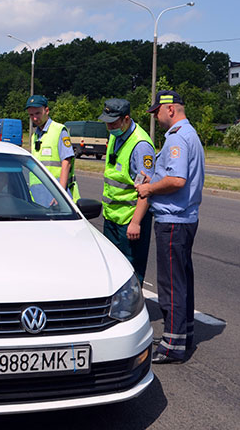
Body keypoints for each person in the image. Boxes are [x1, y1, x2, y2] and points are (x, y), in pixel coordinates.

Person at [136, 90, 205, 364]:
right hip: (185, 218)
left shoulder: (178, 138)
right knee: (182, 279)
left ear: (171, 110)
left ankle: (172, 345)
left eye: (158, 112)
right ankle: (184, 334)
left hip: (173, 219)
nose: (156, 117)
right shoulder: (190, 135)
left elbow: (176, 180)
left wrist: (148, 187)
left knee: (171, 284)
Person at [98, 98, 155, 286]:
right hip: (112, 216)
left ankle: (132, 311)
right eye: (107, 122)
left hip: (130, 220)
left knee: (131, 271)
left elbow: (146, 190)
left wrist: (136, 222)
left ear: (126, 119)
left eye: (113, 123)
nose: (109, 127)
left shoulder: (141, 145)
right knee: (112, 269)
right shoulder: (115, 136)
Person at [25, 95, 80, 206]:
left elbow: (67, 162)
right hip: (38, 196)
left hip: (57, 196)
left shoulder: (59, 130)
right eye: (31, 115)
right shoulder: (34, 136)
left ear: (47, 111)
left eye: (37, 113)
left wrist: (60, 194)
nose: (35, 118)